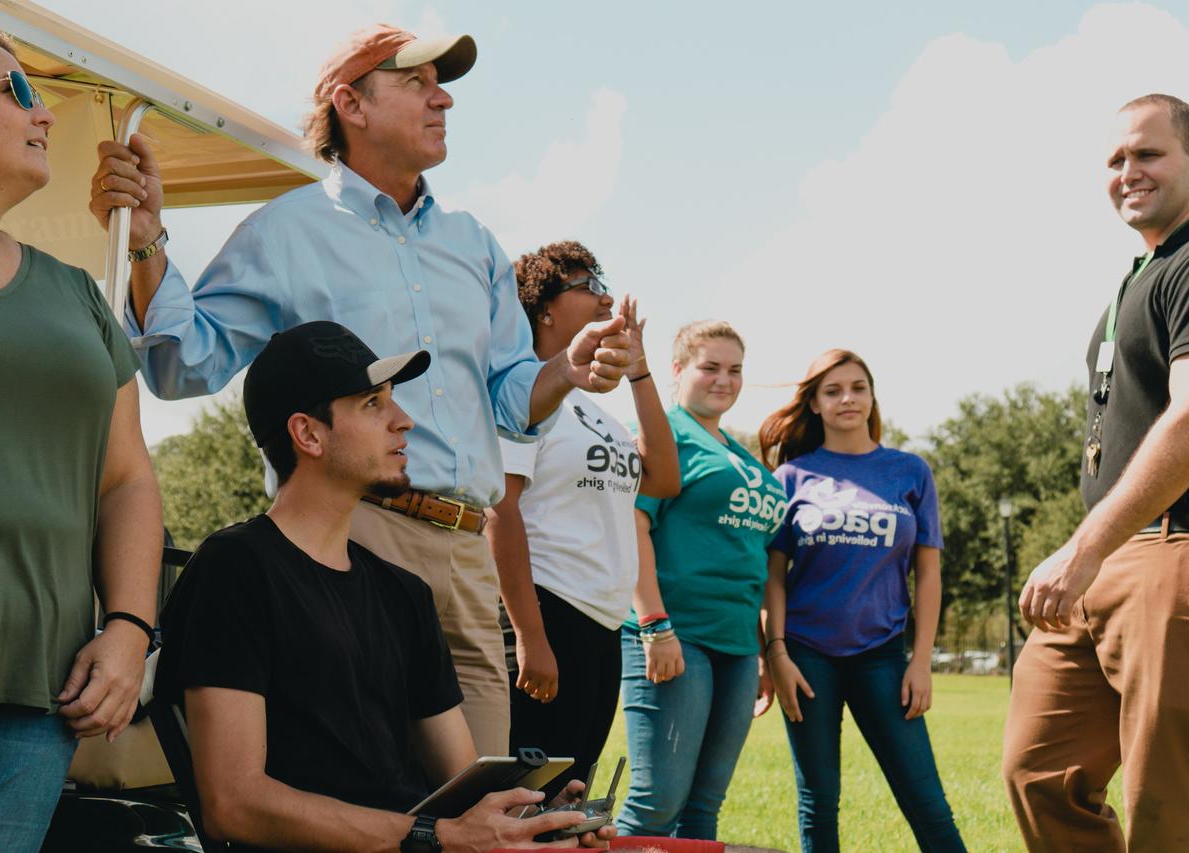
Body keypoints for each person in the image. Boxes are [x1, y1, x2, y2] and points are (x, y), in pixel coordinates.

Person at [89, 23, 628, 757]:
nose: (443, 99)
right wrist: (150, 242)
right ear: (351, 102)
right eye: (418, 82)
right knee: (364, 788)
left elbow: (507, 400)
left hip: (469, 555)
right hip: (353, 539)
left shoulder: (475, 242)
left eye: (442, 83)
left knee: (481, 803)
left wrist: (566, 369)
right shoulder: (286, 230)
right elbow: (185, 364)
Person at [154, 321, 614, 852]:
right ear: (308, 434)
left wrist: (534, 825)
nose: (405, 421)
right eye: (373, 404)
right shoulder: (235, 569)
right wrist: (434, 836)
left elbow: (461, 789)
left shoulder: (403, 594)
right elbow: (233, 805)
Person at [0, 19, 162, 851]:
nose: (44, 112)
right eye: (16, 89)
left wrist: (128, 627)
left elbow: (127, 479)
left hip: (39, 683)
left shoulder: (79, 294)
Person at [1002, 94, 1189, 852]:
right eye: (1115, 159)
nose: (1128, 171)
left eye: (1148, 154)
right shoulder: (1138, 275)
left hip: (1169, 547)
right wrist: (1087, 551)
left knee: (1166, 796)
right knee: (1037, 770)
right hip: (1107, 553)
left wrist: (1083, 547)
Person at [486, 241, 680, 793]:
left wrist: (640, 372)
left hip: (601, 624)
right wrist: (528, 635)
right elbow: (502, 511)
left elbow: (663, 479)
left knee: (569, 797)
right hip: (548, 613)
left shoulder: (596, 412)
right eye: (586, 285)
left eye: (604, 282)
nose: (604, 297)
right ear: (544, 308)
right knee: (528, 799)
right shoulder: (523, 396)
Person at [757, 350, 965, 853]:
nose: (847, 398)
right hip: (806, 656)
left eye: (857, 387)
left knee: (927, 801)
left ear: (872, 396)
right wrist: (776, 654)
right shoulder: (791, 478)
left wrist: (921, 662)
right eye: (832, 390)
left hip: (883, 656)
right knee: (818, 803)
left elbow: (929, 575)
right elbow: (773, 577)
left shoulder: (910, 472)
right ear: (814, 404)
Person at [613, 320, 787, 839]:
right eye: (709, 367)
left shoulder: (740, 453)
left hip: (736, 648)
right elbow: (634, 525)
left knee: (703, 809)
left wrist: (759, 651)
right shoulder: (664, 434)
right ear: (677, 370)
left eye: (734, 370)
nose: (724, 380)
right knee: (654, 805)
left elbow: (750, 559)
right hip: (676, 635)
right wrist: (654, 624)